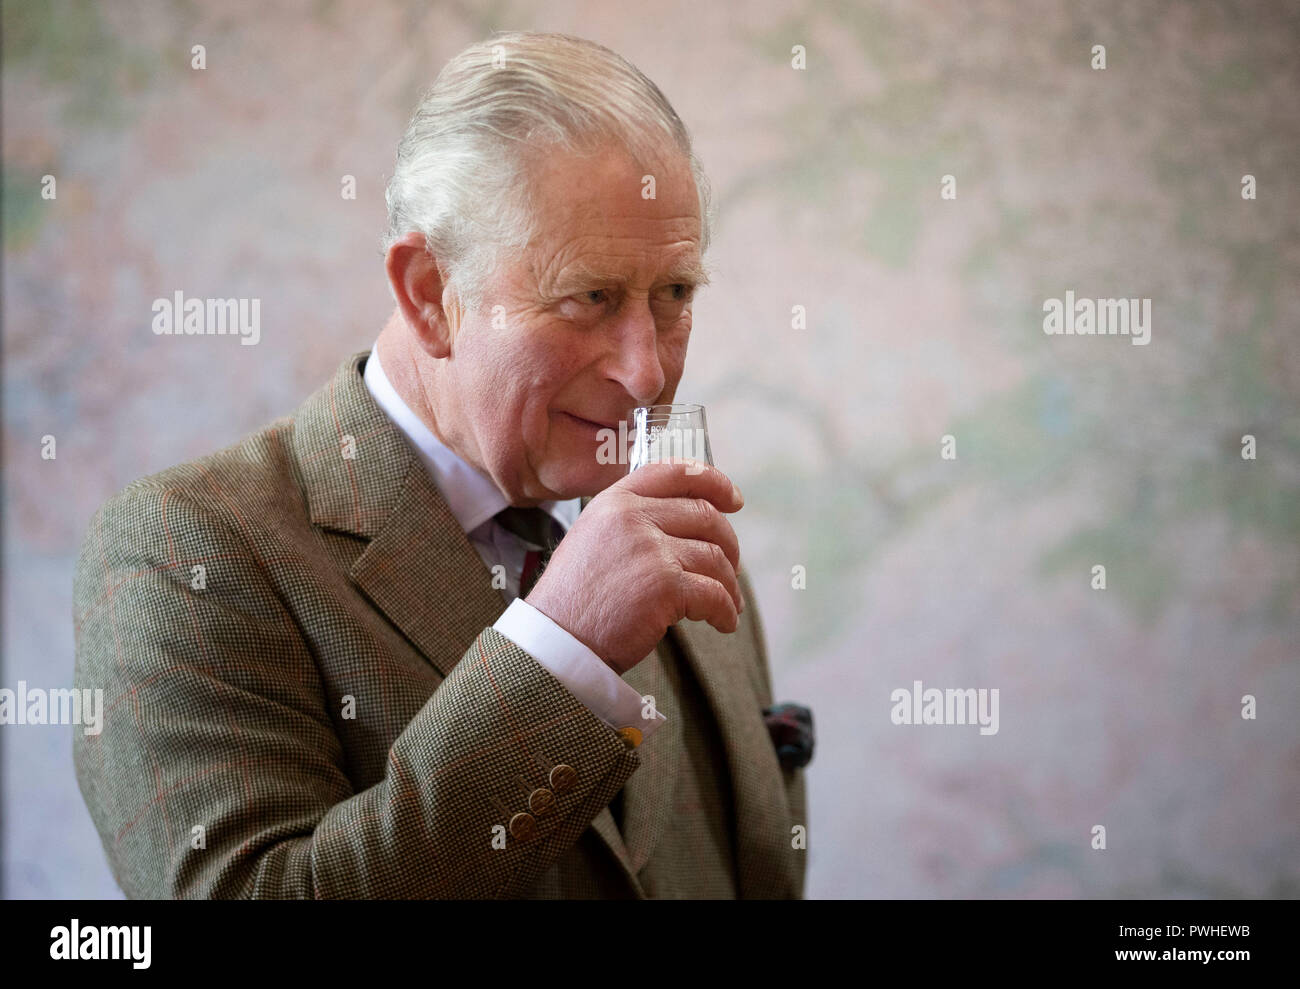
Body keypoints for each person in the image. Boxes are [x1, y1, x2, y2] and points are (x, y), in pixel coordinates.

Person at [72, 31, 808, 899]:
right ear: (429, 292)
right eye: (591, 297)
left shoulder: (670, 524)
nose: (646, 372)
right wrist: (563, 646)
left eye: (674, 294)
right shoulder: (182, 551)